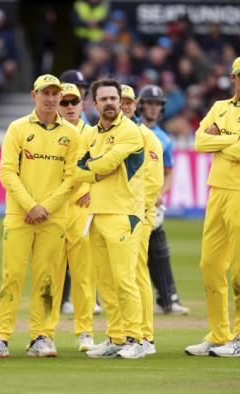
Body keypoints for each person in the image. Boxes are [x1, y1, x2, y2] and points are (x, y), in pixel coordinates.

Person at [186, 55, 240, 357]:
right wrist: (232, 139)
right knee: (209, 265)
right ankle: (218, 333)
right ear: (232, 78)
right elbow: (198, 141)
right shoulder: (220, 107)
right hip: (217, 190)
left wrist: (221, 136)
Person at [0, 75, 80, 358]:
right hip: (19, 216)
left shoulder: (71, 134)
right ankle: (1, 337)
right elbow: (6, 172)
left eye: (56, 94)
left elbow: (73, 179)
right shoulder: (17, 128)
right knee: (12, 277)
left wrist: (46, 208)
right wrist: (30, 206)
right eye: (46, 93)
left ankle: (41, 336)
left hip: (53, 219)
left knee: (47, 279)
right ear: (34, 95)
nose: (52, 99)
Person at [75, 78, 146, 360]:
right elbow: (76, 171)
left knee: (124, 280)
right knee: (105, 282)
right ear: (94, 103)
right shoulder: (90, 135)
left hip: (123, 213)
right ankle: (116, 337)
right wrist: (97, 168)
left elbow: (103, 164)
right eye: (103, 99)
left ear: (120, 101)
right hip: (96, 214)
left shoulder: (130, 131)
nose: (109, 103)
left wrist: (93, 166)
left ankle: (136, 339)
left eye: (113, 99)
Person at [48, 82, 95, 352]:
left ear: (82, 103)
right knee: (52, 276)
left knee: (83, 278)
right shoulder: (51, 132)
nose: (68, 107)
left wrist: (92, 191)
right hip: (55, 211)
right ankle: (46, 332)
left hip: (81, 213)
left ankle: (85, 332)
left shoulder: (92, 134)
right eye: (63, 102)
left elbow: (106, 167)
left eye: (72, 102)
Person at [137, 85, 190, 315]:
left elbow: (168, 172)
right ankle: (167, 298)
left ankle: (167, 298)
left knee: (157, 248)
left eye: (157, 104)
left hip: (150, 202)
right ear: (142, 105)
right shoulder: (130, 129)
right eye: (149, 103)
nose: (153, 107)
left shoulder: (164, 140)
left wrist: (162, 195)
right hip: (126, 199)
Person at [120, 85, 164, 355]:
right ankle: (123, 334)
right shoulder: (111, 135)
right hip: (116, 213)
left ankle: (145, 336)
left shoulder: (147, 137)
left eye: (127, 103)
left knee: (136, 272)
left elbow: (153, 182)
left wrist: (136, 209)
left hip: (138, 214)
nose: (124, 107)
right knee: (120, 275)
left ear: (135, 105)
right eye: (119, 102)